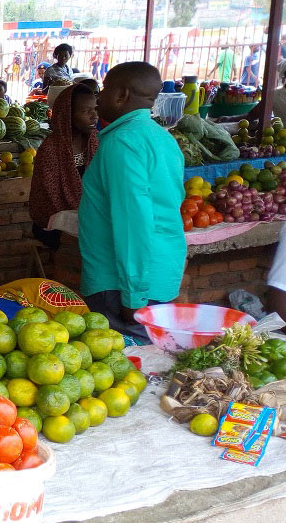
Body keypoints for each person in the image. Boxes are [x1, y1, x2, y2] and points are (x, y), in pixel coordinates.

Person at [78, 62, 184, 339]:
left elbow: (133, 224)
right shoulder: (163, 139)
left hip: (123, 284)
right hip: (156, 273)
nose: (99, 98)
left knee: (129, 369)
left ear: (122, 95)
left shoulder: (121, 144)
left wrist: (133, 297)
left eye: (105, 89)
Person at [29, 82, 100, 250]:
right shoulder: (51, 149)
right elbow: (50, 198)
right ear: (67, 115)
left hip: (87, 216)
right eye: (85, 111)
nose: (94, 116)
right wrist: (79, 215)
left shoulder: (96, 141)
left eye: (95, 109)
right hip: (53, 221)